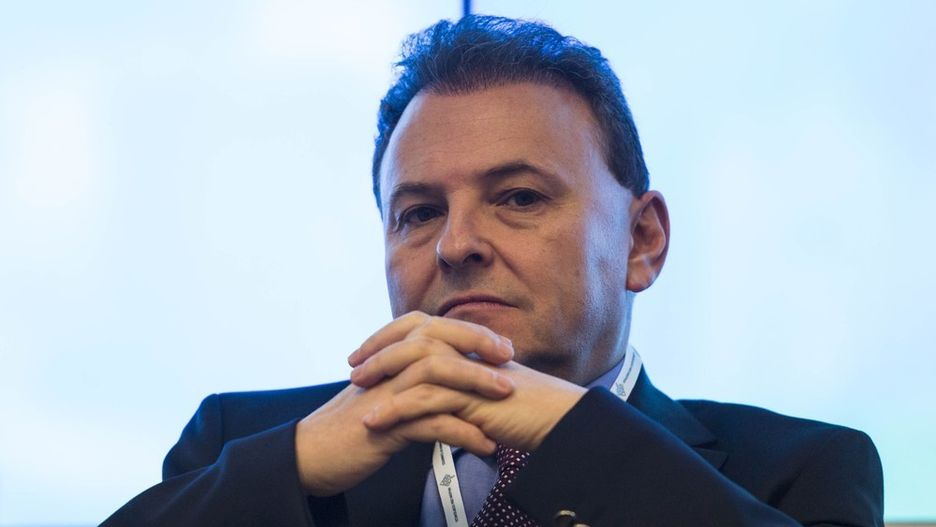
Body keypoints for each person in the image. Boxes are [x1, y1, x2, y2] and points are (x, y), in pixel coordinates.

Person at [103, 15, 884, 527]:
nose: (456, 244)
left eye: (518, 197)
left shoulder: (798, 470)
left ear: (642, 241)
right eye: (419, 212)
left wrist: (569, 432)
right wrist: (299, 464)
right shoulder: (249, 446)